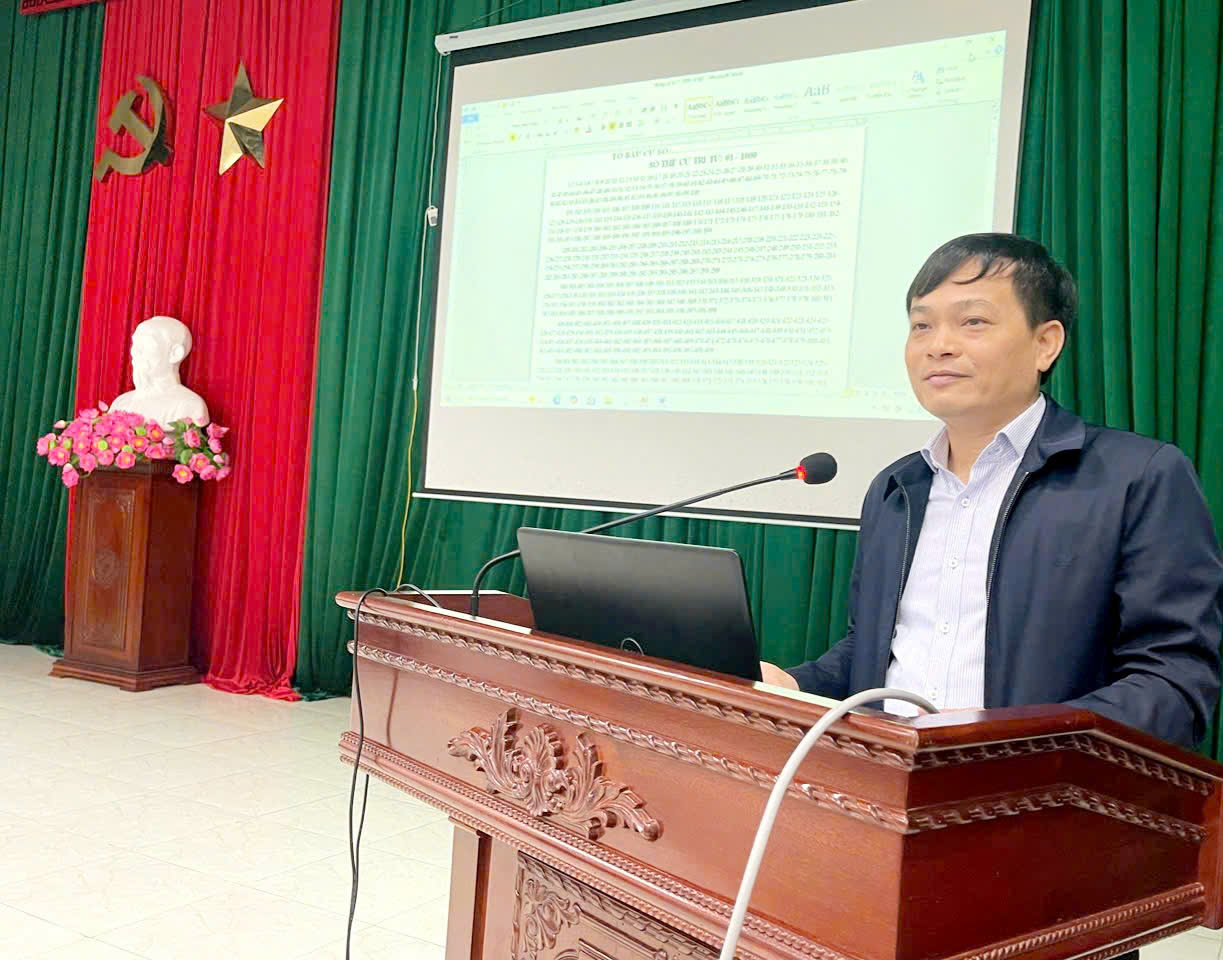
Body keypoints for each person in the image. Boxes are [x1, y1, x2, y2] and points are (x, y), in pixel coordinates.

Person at [762, 233, 1222, 752]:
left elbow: (1173, 681)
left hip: (1039, 786)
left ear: (1045, 343)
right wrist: (796, 684)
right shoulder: (896, 489)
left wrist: (1018, 747)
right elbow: (874, 652)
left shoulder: (1137, 476)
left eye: (973, 321)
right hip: (883, 775)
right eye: (921, 325)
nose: (938, 345)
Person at [110, 315, 210, 426]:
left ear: (175, 354)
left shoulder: (189, 406)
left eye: (147, 344)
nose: (135, 351)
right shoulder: (121, 404)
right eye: (135, 343)